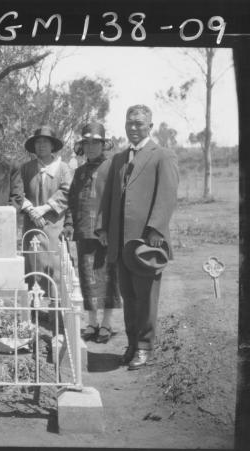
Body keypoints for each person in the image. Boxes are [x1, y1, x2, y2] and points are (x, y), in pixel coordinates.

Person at [96, 105, 179, 369]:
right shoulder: (119, 158)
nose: (133, 128)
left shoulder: (162, 155)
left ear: (150, 126)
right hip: (121, 243)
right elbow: (108, 196)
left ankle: (145, 347)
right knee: (128, 296)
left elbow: (167, 196)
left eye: (139, 124)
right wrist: (102, 229)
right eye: (129, 123)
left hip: (146, 243)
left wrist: (156, 229)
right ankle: (132, 344)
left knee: (146, 297)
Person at [67, 122, 121, 344]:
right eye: (87, 143)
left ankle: (107, 324)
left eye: (95, 143)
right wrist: (69, 224)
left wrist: (107, 229)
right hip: (83, 232)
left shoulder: (112, 167)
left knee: (107, 278)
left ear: (103, 144)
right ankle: (92, 322)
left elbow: (114, 201)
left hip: (103, 234)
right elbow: (72, 201)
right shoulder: (79, 172)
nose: (90, 148)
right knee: (87, 278)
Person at [20, 126, 72, 297]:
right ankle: (34, 312)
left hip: (54, 224)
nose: (41, 145)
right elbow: (17, 192)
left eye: (45, 142)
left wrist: (45, 208)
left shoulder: (63, 168)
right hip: (32, 225)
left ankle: (55, 313)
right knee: (33, 265)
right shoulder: (26, 168)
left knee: (55, 266)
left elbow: (67, 191)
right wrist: (31, 210)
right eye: (38, 142)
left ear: (52, 146)